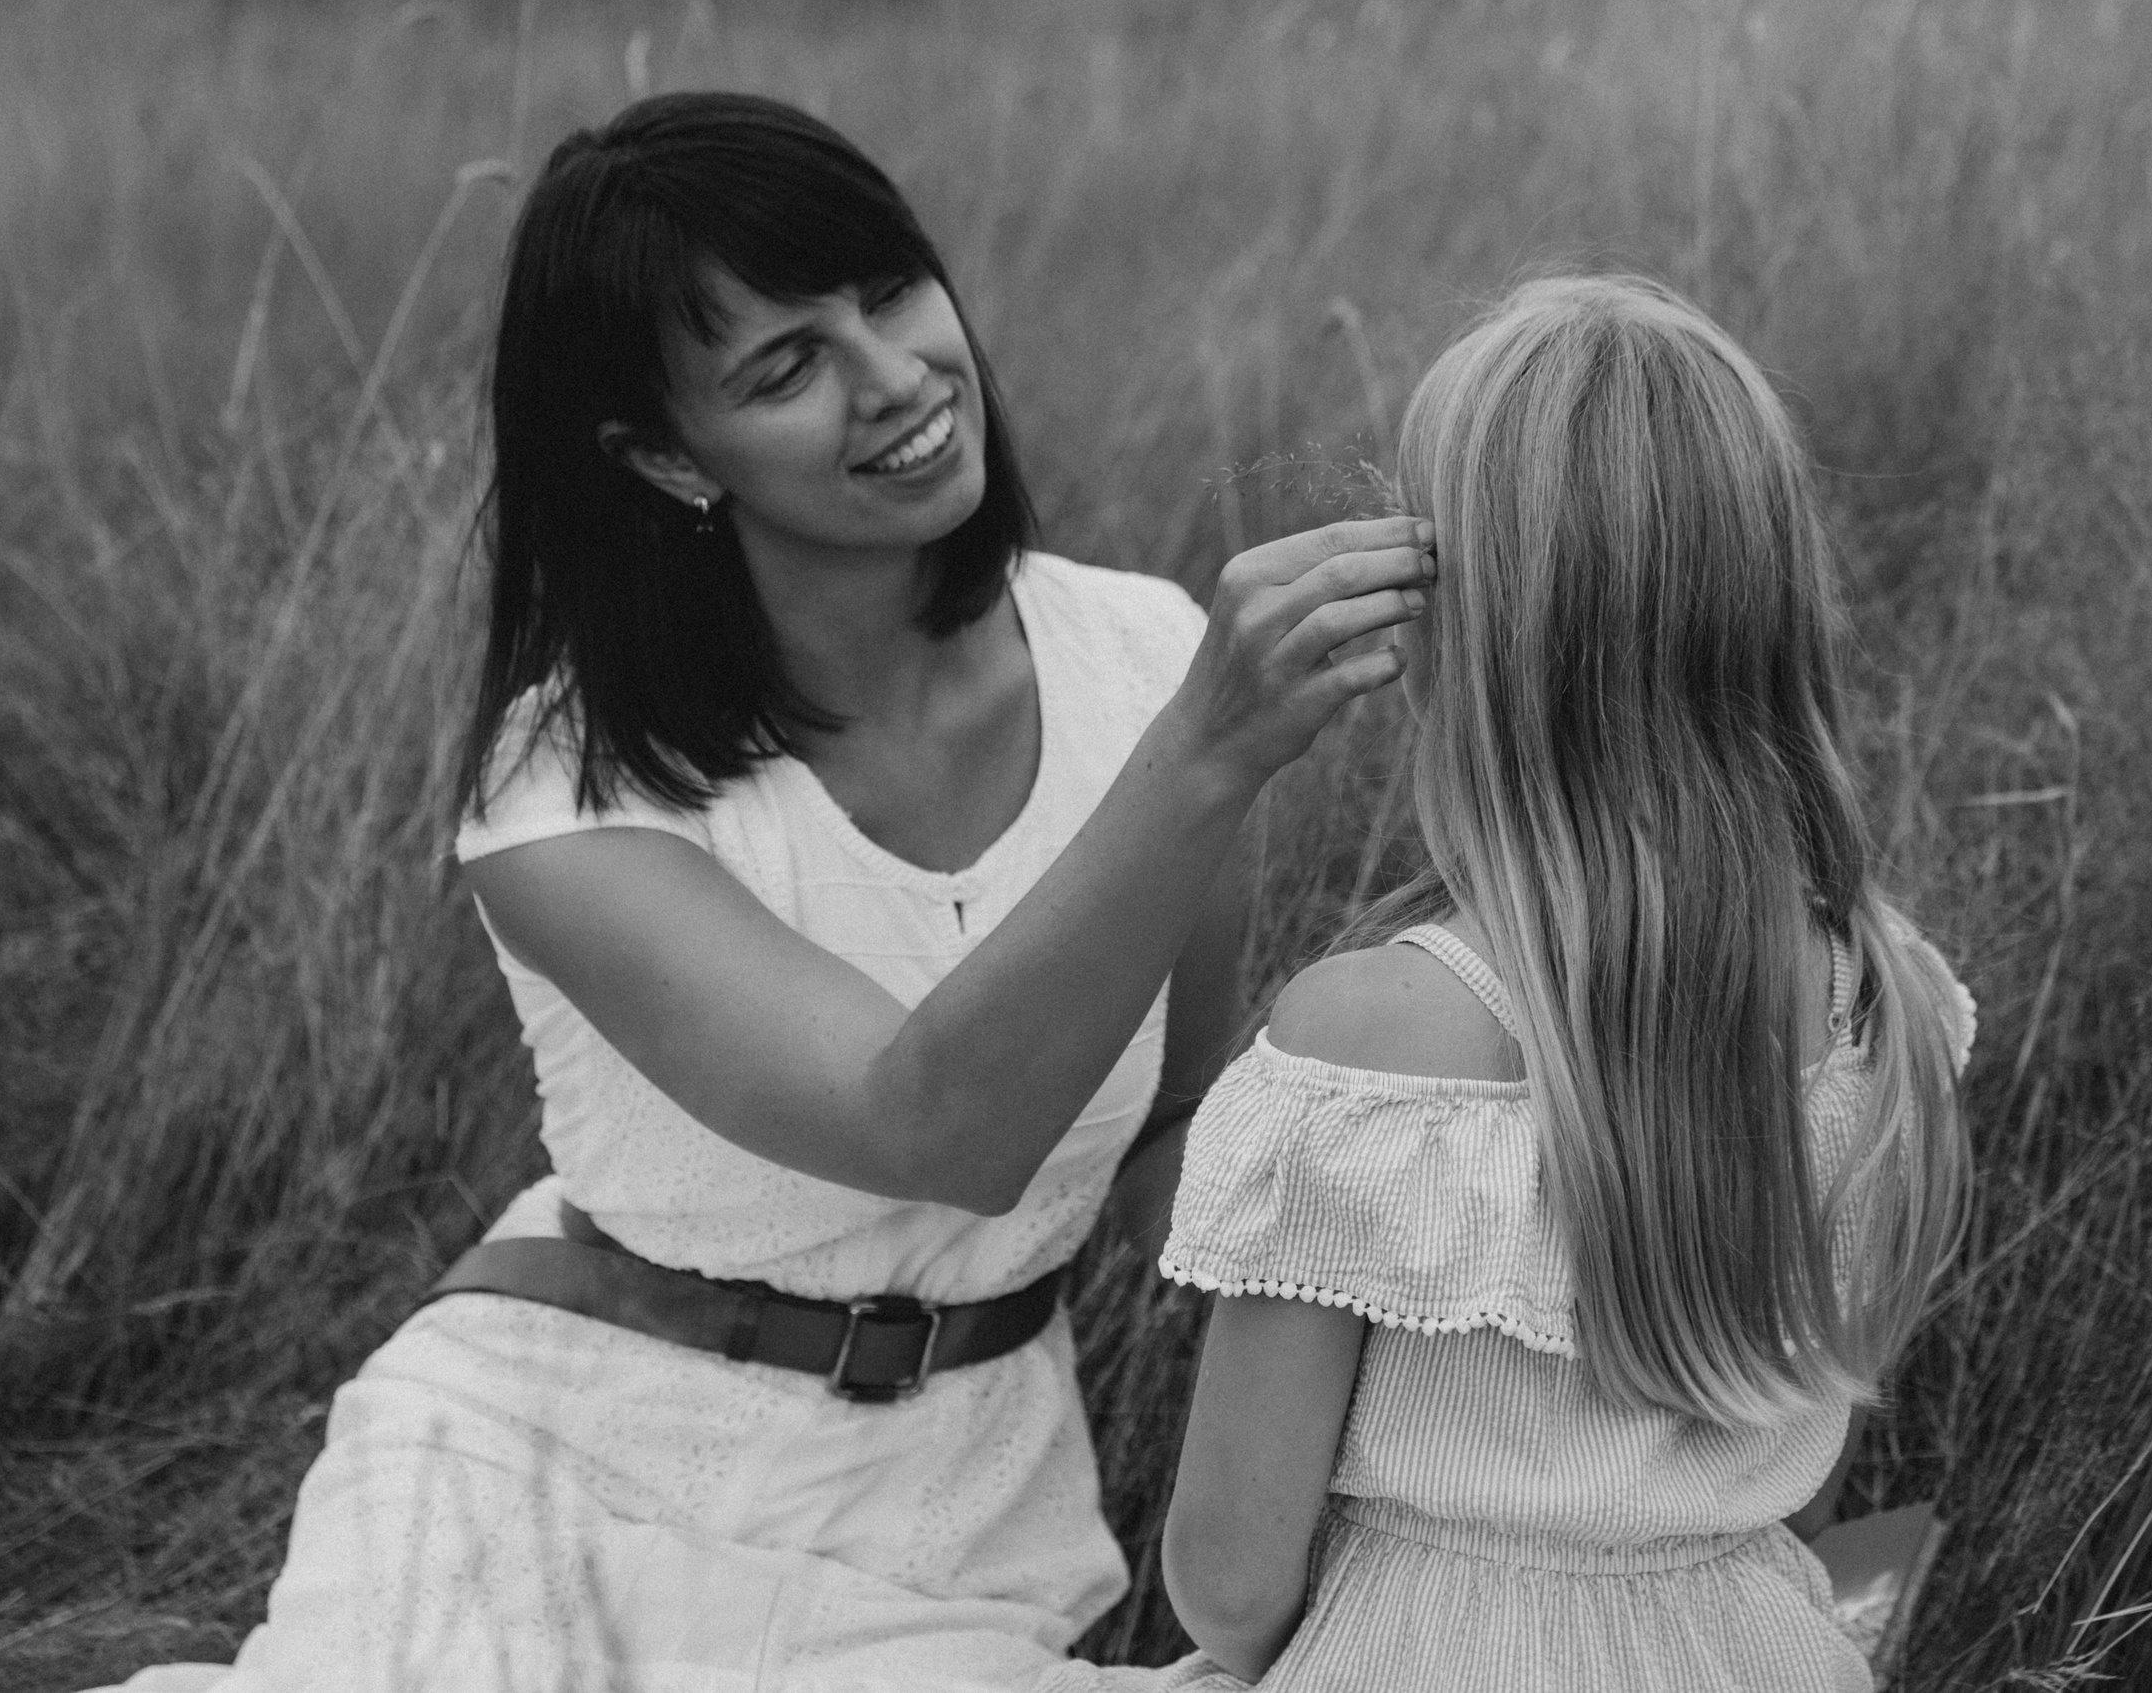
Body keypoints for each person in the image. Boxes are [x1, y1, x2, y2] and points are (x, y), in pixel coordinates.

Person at [90, 93, 1431, 1693]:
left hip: (958, 1516)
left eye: (889, 295)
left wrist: (1496, 1205)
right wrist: (1207, 754)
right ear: (662, 454)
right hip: (558, 1465)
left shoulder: (1141, 662)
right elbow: (934, 1130)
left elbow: (1166, 1151)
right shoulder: (564, 785)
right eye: (784, 368)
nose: (897, 381)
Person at [1038, 274, 1977, 1693]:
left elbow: (1227, 1584)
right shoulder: (1883, 992)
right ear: (1777, 596)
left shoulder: (1372, 1041)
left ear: (1446, 628)